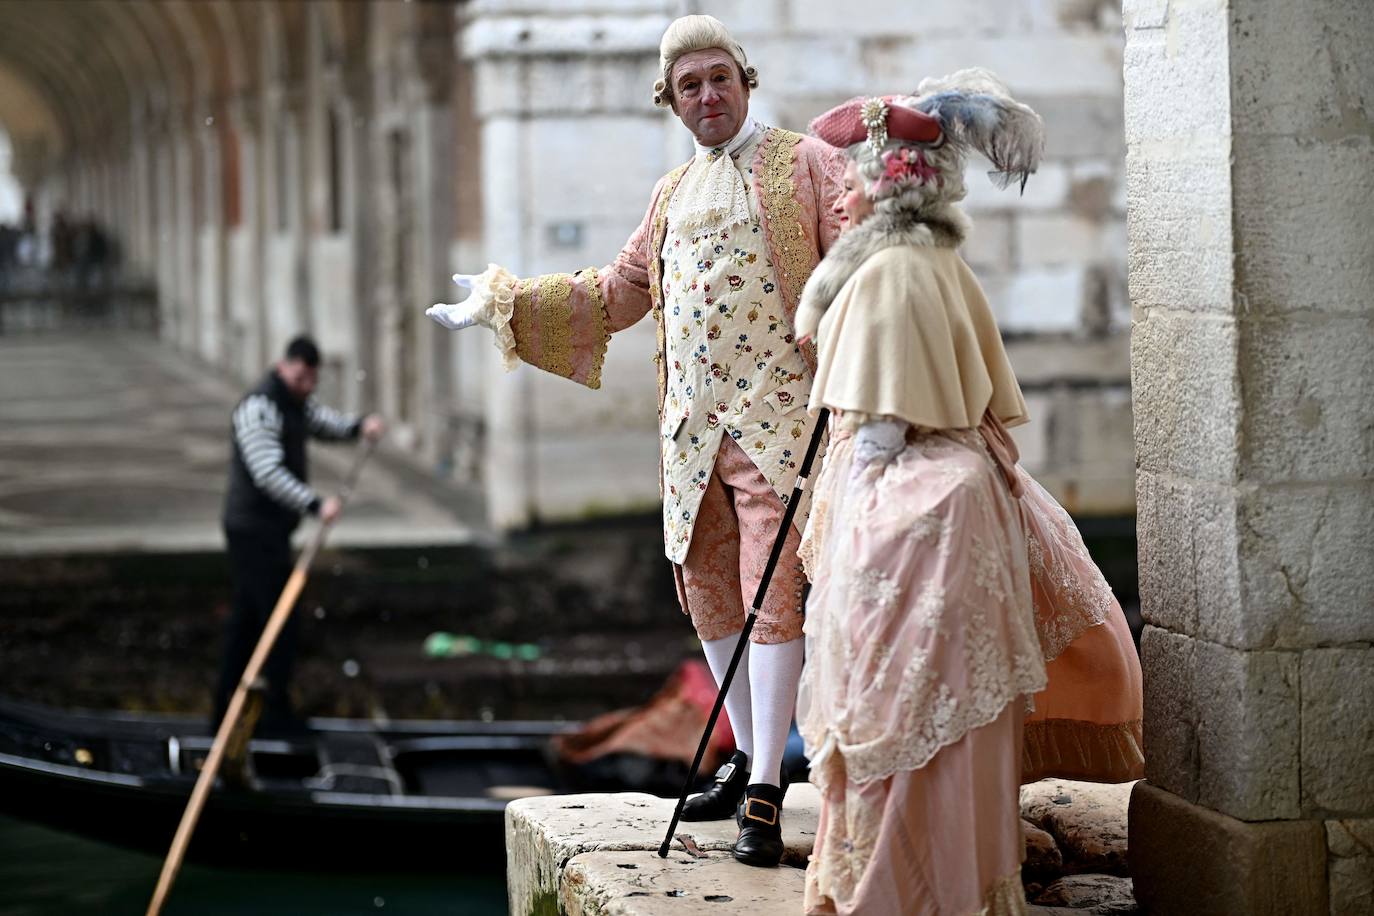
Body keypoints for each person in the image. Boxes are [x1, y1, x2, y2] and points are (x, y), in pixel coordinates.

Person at [426, 14, 845, 867]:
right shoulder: (669, 196)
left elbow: (858, 269)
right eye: (688, 86)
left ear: (744, 79)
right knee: (708, 589)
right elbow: (619, 292)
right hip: (693, 434)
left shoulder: (803, 162)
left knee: (776, 599)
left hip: (781, 427)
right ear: (672, 100)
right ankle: (736, 752)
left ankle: (766, 783)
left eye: (718, 78)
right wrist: (508, 304)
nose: (706, 97)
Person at [793, 72, 1143, 914]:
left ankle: (906, 885)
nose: (834, 198)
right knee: (951, 714)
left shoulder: (887, 276)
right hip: (967, 507)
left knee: (906, 714)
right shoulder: (928, 260)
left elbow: (879, 429)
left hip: (916, 532)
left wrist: (854, 516)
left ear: (876, 186)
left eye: (844, 182)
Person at [215, 335, 384, 733]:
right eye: (303, 378)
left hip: (270, 532)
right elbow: (266, 471)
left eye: (313, 381)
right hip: (251, 531)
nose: (308, 387)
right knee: (280, 623)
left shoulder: (294, 400)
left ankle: (226, 711)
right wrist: (314, 504)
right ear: (284, 366)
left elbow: (322, 423)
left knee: (247, 621)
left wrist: (359, 427)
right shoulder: (259, 407)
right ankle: (273, 714)